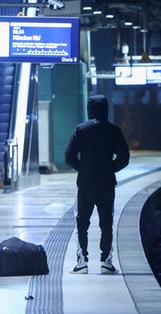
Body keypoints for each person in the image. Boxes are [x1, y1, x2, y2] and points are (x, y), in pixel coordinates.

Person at [64, 94, 130, 274]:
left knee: (81, 223)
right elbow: (124, 158)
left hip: (85, 184)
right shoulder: (113, 130)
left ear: (90, 109)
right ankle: (106, 263)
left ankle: (82, 262)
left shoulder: (81, 129)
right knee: (106, 223)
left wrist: (83, 169)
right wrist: (109, 169)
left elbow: (69, 157)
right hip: (106, 184)